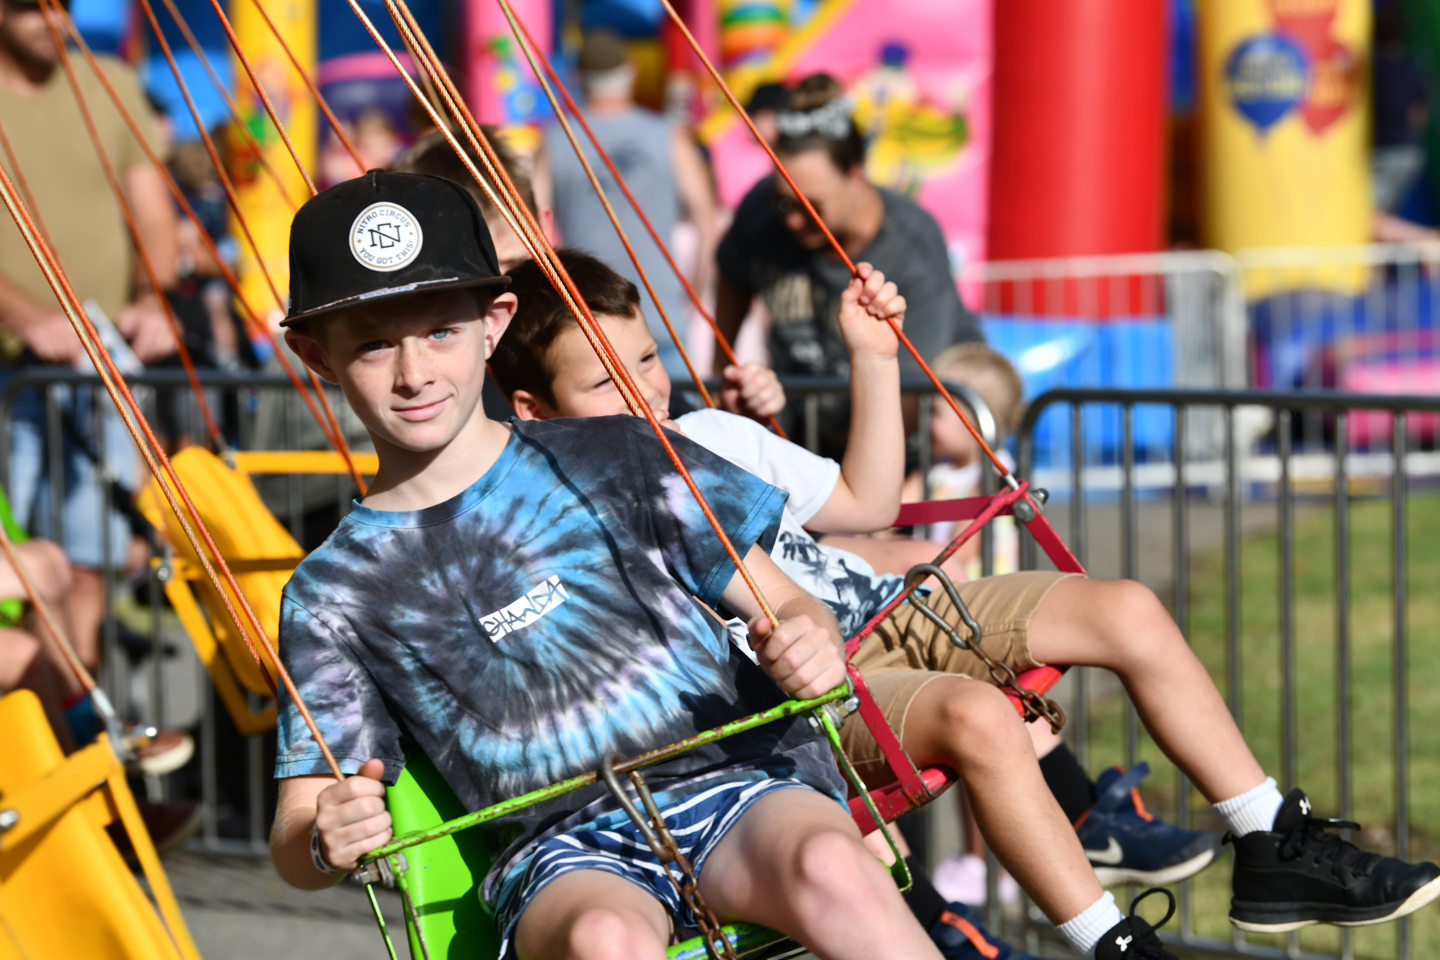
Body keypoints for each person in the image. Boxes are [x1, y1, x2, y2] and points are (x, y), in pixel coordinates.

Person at [493, 248, 1440, 960]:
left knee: (1126, 608)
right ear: (534, 411)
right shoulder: (569, 522)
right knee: (983, 717)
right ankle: (1110, 940)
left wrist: (870, 355)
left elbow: (864, 503)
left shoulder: (706, 431)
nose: (646, 394)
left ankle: (1271, 838)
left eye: (650, 361)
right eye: (608, 385)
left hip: (893, 606)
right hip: (817, 692)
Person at [268, 170, 946, 960]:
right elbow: (297, 825)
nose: (414, 373)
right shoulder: (330, 591)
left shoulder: (624, 450)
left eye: (441, 332)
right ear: (317, 356)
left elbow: (792, 606)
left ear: (495, 322)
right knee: (601, 941)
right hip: (564, 852)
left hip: (737, 781)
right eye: (376, 344)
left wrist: (808, 639)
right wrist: (325, 837)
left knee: (832, 861)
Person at [0, 0, 178, 659]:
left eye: (63, 5)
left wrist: (153, 299)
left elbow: (153, 212)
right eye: (28, 7)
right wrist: (26, 317)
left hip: (93, 359)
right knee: (21, 573)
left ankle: (80, 737)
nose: (52, 20)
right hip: (15, 363)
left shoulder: (110, 81)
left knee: (83, 562)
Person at [714, 73, 982, 458]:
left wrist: (855, 497)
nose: (791, 220)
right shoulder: (761, 209)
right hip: (807, 439)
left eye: (811, 207)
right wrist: (718, 370)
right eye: (783, 203)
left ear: (855, 174)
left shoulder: (912, 245)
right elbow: (733, 271)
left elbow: (908, 396)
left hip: (907, 447)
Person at [533, 28, 718, 381]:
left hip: (586, 320)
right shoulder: (670, 133)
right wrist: (692, 297)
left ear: (578, 78)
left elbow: (531, 229)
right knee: (681, 429)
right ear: (632, 70)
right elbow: (706, 221)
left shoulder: (556, 139)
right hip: (661, 316)